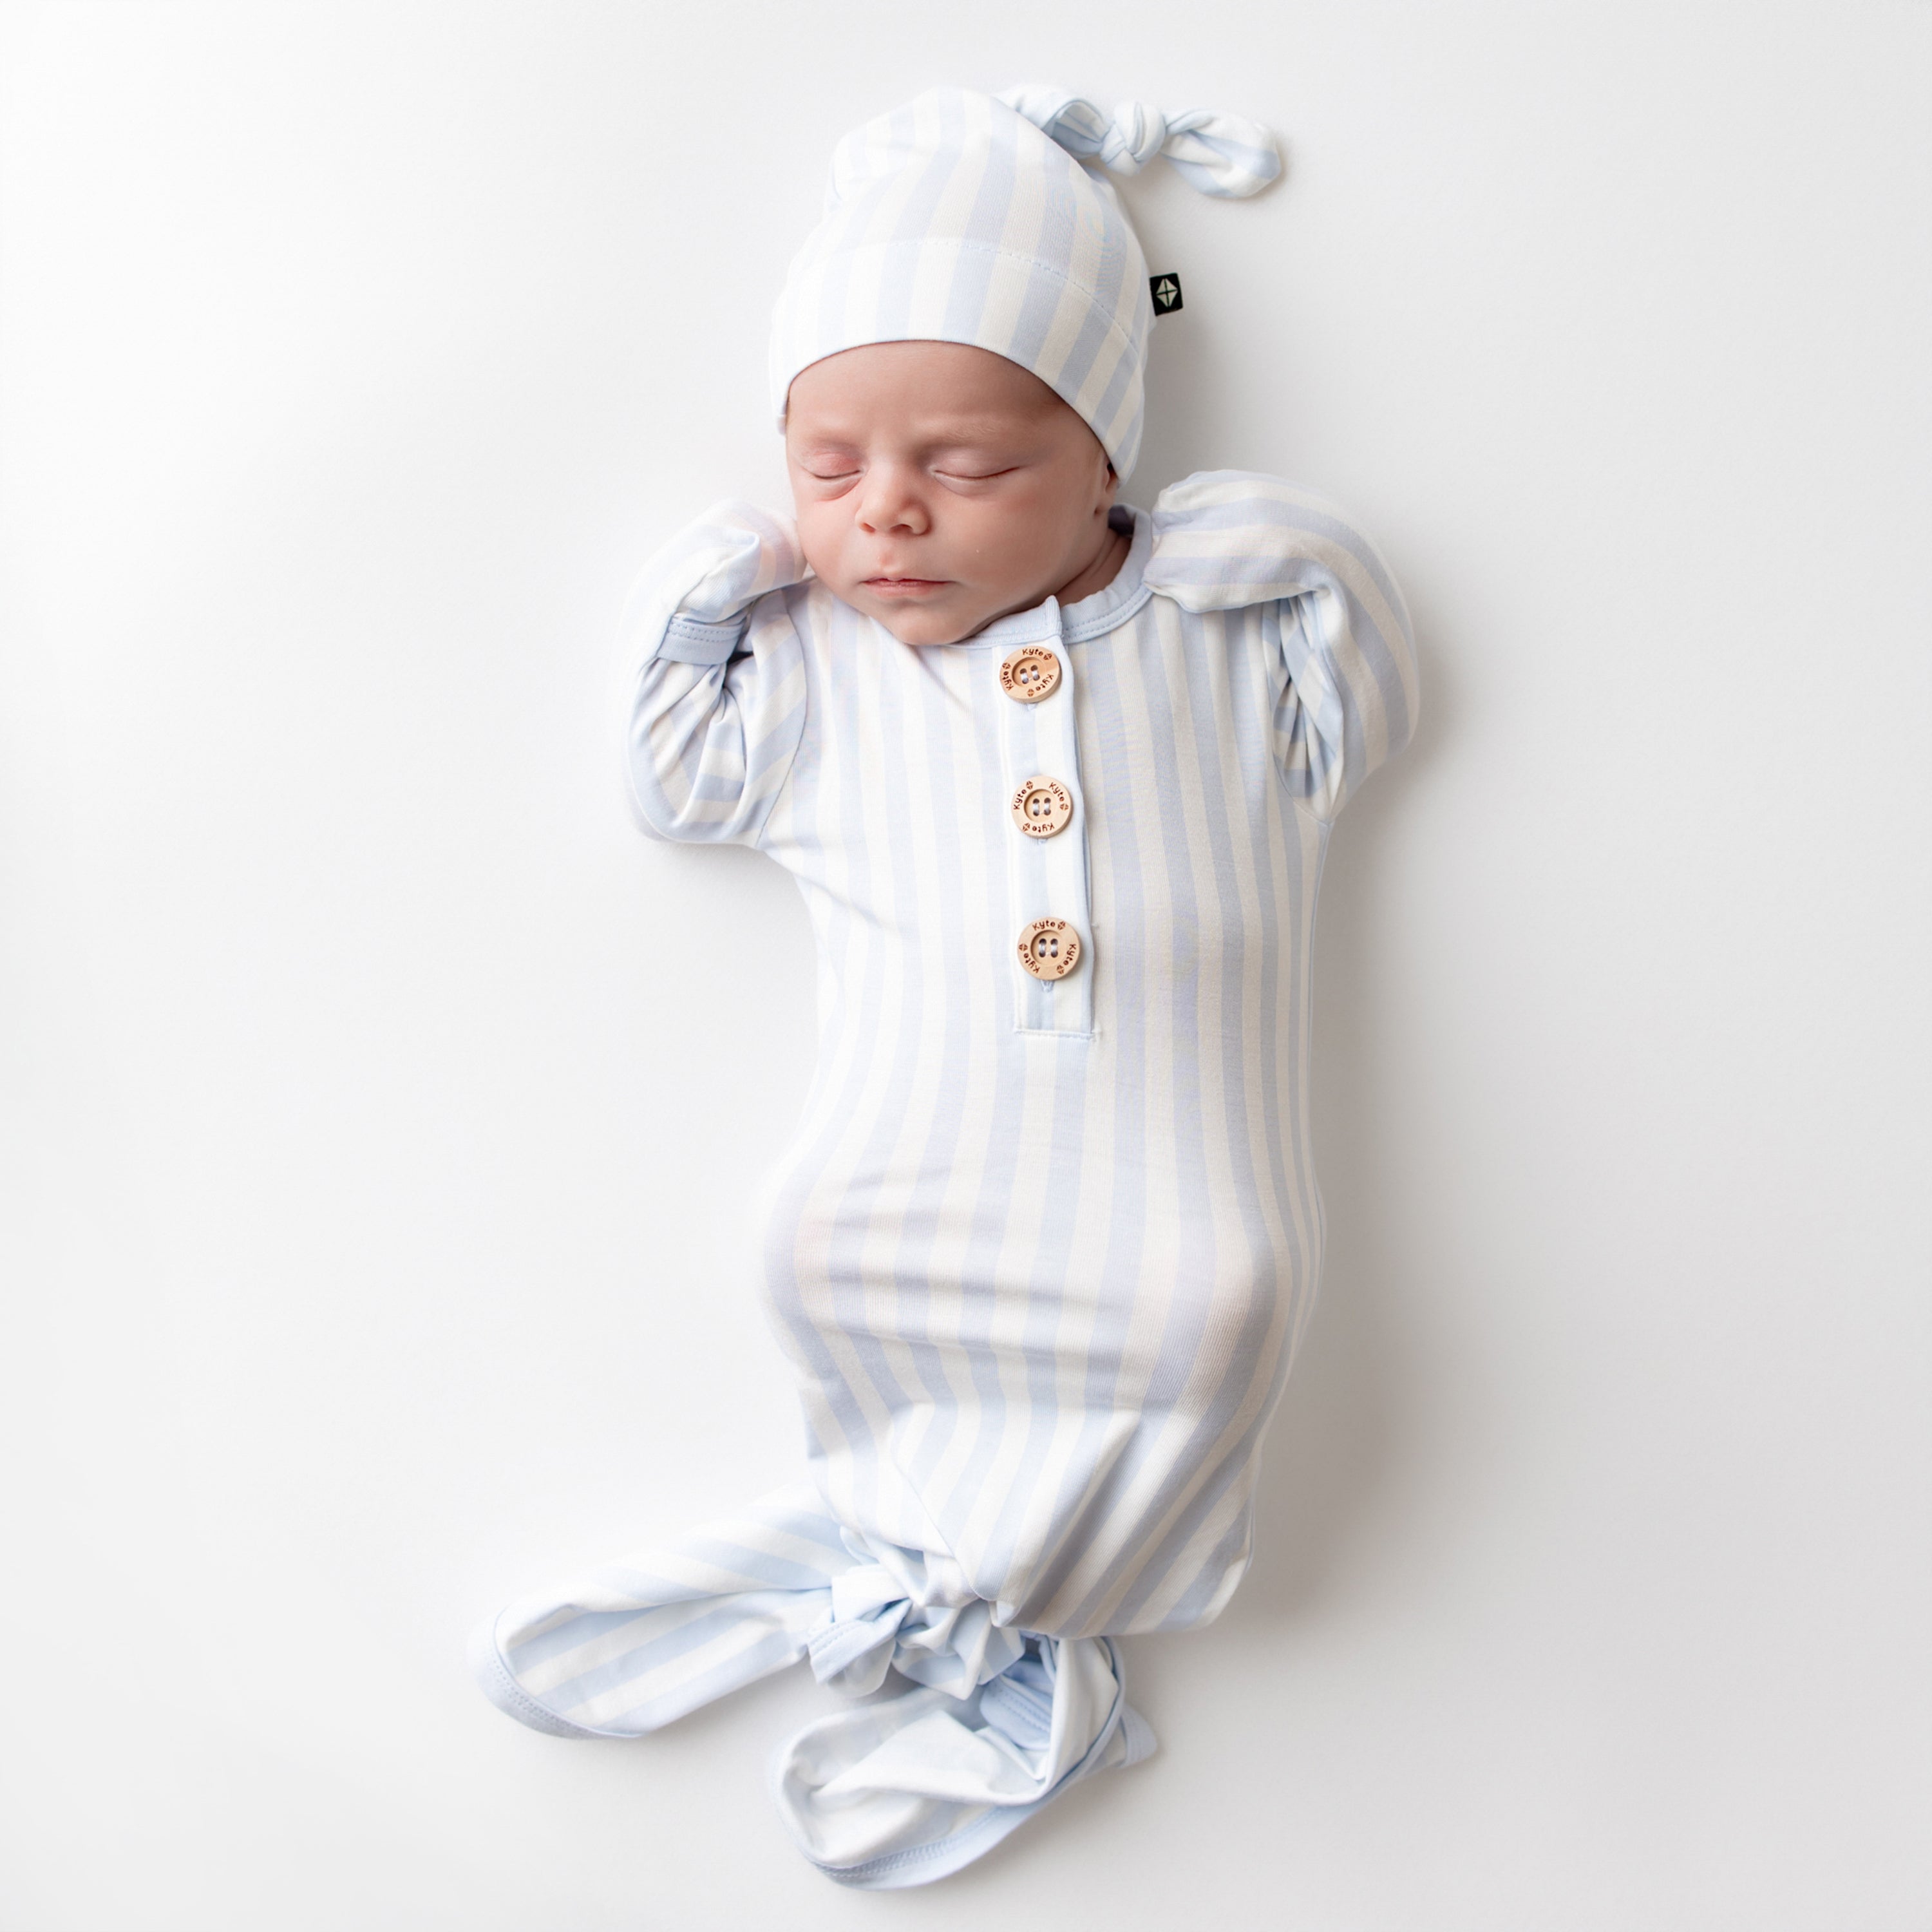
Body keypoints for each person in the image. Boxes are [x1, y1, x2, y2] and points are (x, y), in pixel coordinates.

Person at [471, 84, 1419, 1889]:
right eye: (827, 474)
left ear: (1103, 456)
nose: (888, 516)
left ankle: (989, 1600)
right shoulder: (825, 672)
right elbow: (678, 786)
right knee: (825, 1264)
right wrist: (711, 588)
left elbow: (1367, 714)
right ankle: (931, 1583)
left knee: (1215, 1315)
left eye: (968, 470)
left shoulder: (1215, 646)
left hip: (1173, 1222)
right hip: (888, 1202)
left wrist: (1301, 552)